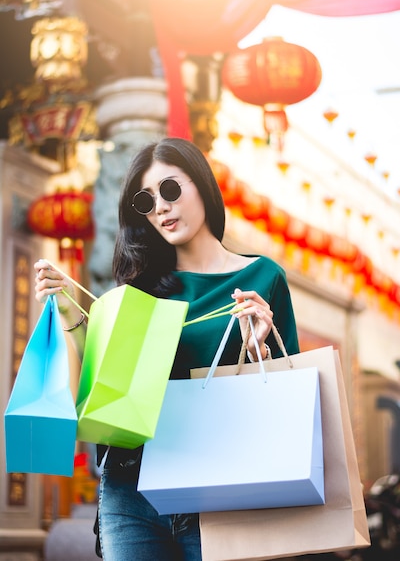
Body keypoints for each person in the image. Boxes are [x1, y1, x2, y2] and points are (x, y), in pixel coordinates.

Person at [34, 136, 300, 561]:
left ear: (203, 186)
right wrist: (71, 315)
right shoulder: (138, 291)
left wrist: (258, 353)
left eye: (171, 190)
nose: (160, 206)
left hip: (219, 486)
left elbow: (289, 391)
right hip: (131, 488)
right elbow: (97, 388)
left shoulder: (262, 279)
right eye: (146, 200)